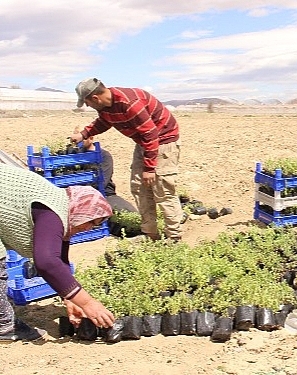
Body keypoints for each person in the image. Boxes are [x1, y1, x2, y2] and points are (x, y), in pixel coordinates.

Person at [0, 164, 115, 341]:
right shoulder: (54, 212)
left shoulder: (63, 208)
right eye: (92, 222)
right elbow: (46, 262)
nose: (88, 228)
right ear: (82, 212)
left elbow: (59, 260)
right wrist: (88, 303)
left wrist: (69, 298)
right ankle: (4, 325)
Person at [70, 78, 183, 242]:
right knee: (140, 187)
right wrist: (83, 134)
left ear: (96, 98)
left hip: (163, 142)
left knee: (162, 190)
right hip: (144, 144)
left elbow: (151, 135)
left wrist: (150, 169)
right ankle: (150, 234)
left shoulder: (130, 103)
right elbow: (104, 122)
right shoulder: (106, 107)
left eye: (87, 103)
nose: (88, 106)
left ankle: (174, 237)